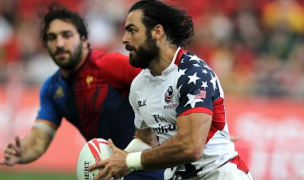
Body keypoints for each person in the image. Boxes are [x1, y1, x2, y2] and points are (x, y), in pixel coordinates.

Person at [89, 0, 253, 180]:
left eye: (132, 30)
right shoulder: (139, 85)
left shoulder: (194, 74)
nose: (124, 39)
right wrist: (117, 161)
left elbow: (191, 147)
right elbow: (146, 140)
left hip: (219, 175)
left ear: (157, 32)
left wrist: (128, 161)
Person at [0, 5, 164, 180]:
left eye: (67, 35)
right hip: (107, 173)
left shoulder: (110, 66)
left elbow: (160, 87)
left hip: (151, 171)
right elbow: (38, 140)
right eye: (52, 37)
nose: (60, 43)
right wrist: (21, 152)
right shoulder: (52, 88)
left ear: (84, 39)